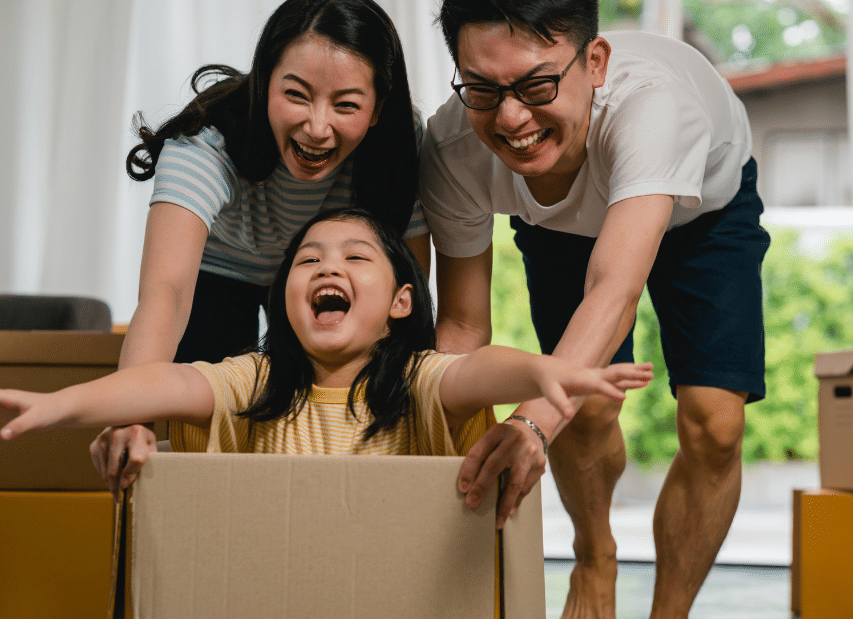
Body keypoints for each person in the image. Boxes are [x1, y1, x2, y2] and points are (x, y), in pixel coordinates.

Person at [420, 0, 770, 619]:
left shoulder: (655, 110)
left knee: (715, 424)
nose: (511, 117)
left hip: (705, 216)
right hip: (560, 218)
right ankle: (594, 551)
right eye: (482, 89)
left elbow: (616, 288)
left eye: (538, 83)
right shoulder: (453, 147)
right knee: (581, 412)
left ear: (596, 62)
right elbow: (462, 325)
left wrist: (528, 426)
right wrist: (429, 445)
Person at [0, 208, 654, 497]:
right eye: (307, 259)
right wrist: (58, 405)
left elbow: (478, 370)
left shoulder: (417, 382)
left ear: (401, 302)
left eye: (354, 258)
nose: (325, 267)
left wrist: (542, 369)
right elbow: (156, 386)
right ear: (284, 296)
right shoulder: (252, 381)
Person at [104, 0, 428, 465]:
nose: (317, 127)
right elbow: (166, 294)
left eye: (347, 105)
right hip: (219, 271)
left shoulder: (398, 144)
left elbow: (408, 292)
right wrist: (128, 419)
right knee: (207, 422)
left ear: (378, 109)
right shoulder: (204, 143)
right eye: (295, 94)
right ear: (263, 83)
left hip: (315, 275)